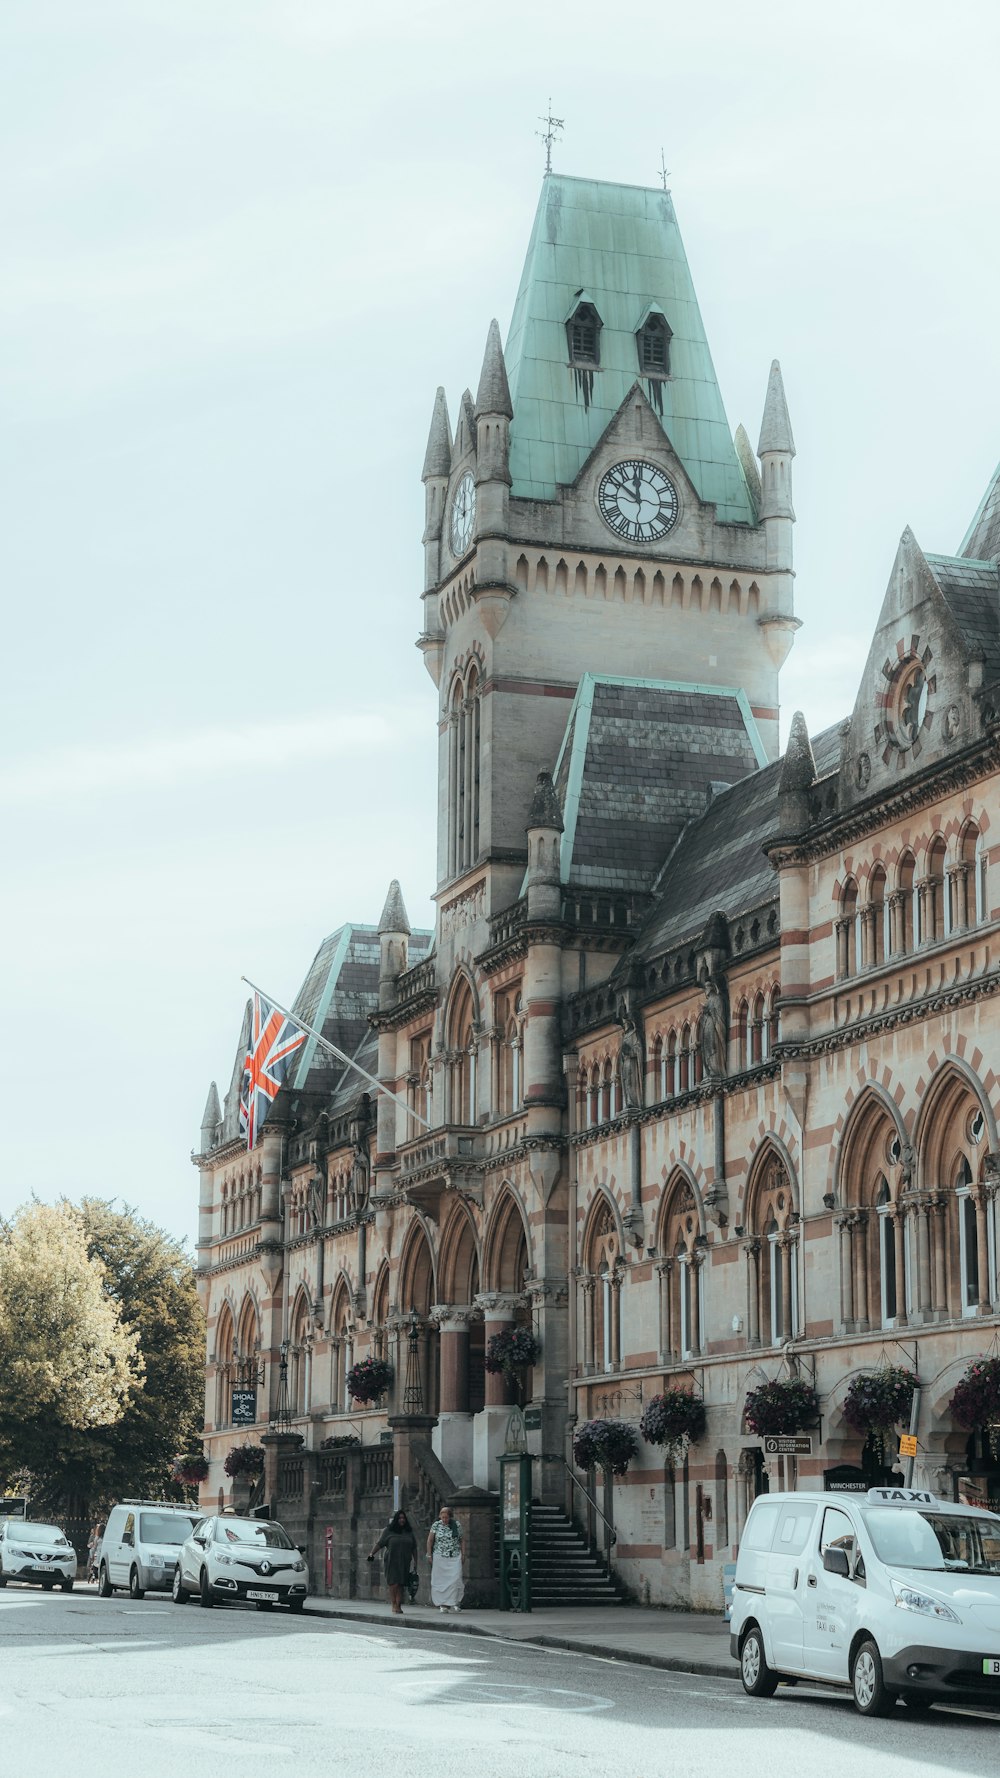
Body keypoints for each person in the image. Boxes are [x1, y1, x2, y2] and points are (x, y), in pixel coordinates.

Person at [367, 1509, 418, 1615]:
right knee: (393, 1583)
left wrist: (416, 1562)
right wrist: (371, 1554)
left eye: (403, 1518)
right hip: (391, 1560)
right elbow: (380, 1543)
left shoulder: (409, 1532)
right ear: (396, 1519)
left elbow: (414, 1548)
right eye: (399, 1518)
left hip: (405, 1561)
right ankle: (394, 1603)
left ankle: (399, 1605)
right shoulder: (388, 1531)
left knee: (401, 1583)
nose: (402, 1520)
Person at [426, 1505, 464, 1613]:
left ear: (450, 1517)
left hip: (454, 1555)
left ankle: (455, 1602)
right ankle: (443, 1604)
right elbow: (430, 1541)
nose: (444, 1520)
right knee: (440, 1581)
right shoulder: (436, 1525)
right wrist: (429, 1554)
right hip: (440, 1555)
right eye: (442, 1517)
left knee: (455, 1579)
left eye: (446, 1517)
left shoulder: (456, 1525)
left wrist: (464, 1554)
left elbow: (462, 1540)